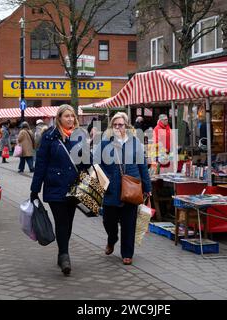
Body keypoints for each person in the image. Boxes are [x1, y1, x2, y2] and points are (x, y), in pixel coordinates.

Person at [30, 104, 89, 276]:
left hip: (74, 187)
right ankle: (64, 256)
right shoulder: (49, 136)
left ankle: (62, 251)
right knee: (61, 221)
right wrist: (35, 189)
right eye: (66, 116)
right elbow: (41, 164)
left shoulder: (80, 136)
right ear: (59, 118)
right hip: (55, 186)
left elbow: (86, 162)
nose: (70, 119)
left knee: (68, 223)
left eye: (72, 116)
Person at [94, 112, 151, 266]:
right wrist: (105, 180)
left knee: (129, 223)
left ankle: (127, 253)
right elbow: (96, 164)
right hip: (111, 189)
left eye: (121, 124)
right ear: (111, 126)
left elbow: (143, 166)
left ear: (127, 126)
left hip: (131, 187)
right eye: (115, 125)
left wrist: (147, 186)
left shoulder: (135, 143)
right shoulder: (104, 143)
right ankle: (112, 239)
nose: (118, 127)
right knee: (108, 221)